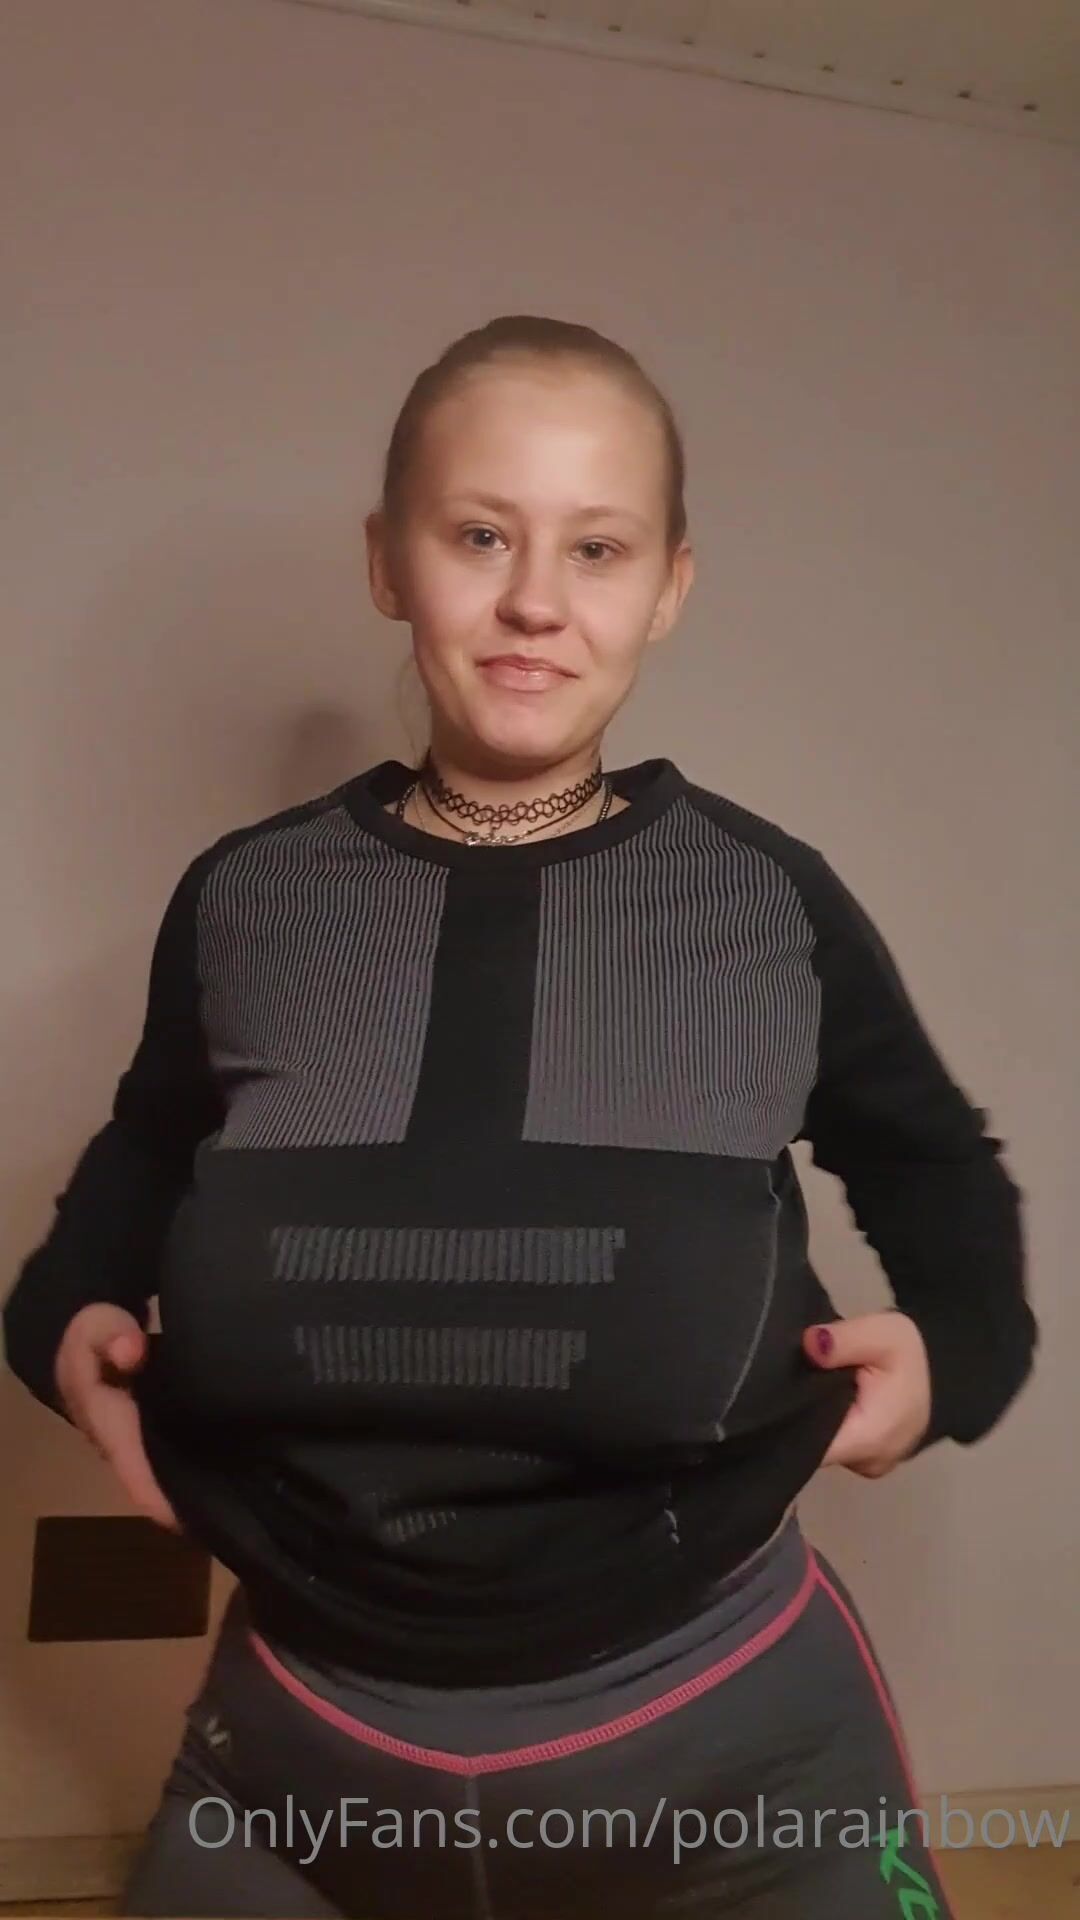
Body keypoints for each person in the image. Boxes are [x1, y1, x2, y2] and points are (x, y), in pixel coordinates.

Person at [3, 315, 1036, 1920]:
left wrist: (953, 1357)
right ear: (388, 561)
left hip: (735, 1764)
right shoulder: (249, 897)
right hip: (297, 1757)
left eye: (597, 548)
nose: (536, 599)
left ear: (669, 587)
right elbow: (146, 1151)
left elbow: (935, 1165)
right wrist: (62, 1318)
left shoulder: (767, 902)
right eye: (481, 534)